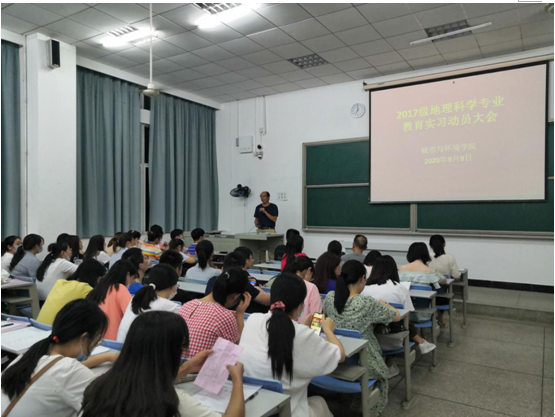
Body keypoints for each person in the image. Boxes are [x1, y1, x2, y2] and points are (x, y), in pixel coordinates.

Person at [81, 311, 246, 417]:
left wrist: (188, 367)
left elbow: (150, 380)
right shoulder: (171, 400)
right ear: (173, 352)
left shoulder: (100, 385)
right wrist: (237, 381)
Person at [240, 273, 345, 417]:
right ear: (300, 307)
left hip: (254, 407)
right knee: (320, 402)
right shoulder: (301, 334)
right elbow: (339, 355)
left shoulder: (253, 319)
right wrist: (328, 330)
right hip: (287, 411)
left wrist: (301, 327)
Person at [1, 299, 116, 417]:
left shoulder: (29, 356)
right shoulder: (69, 371)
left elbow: (60, 371)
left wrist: (107, 357)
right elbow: (109, 408)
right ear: (84, 338)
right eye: (97, 340)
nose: (96, 345)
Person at [323, 260, 400, 416]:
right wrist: (385, 304)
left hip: (336, 357)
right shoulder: (366, 303)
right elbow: (396, 316)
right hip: (365, 362)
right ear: (362, 279)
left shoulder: (330, 297)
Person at [362, 255, 436, 360]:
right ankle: (420, 341)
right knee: (403, 317)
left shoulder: (365, 289)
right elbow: (407, 317)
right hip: (394, 337)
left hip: (369, 338)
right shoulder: (400, 288)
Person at [178, 268, 251, 358]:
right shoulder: (224, 316)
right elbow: (237, 346)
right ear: (236, 296)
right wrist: (240, 314)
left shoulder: (187, 305)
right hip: (201, 366)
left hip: (180, 363)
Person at [117, 264, 180, 342]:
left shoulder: (137, 297)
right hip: (139, 347)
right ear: (173, 285)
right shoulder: (171, 307)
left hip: (121, 345)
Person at [37, 260, 106, 325]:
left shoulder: (60, 283)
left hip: (38, 326)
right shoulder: (85, 288)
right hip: (54, 330)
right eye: (100, 279)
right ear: (94, 277)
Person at [87, 260, 137, 340]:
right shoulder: (120, 288)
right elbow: (132, 315)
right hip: (114, 340)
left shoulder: (97, 290)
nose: (133, 282)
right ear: (127, 275)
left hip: (95, 340)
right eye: (133, 278)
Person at [205, 251, 271, 310]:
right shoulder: (243, 285)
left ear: (222, 269)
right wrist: (257, 288)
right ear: (242, 270)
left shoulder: (212, 280)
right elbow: (268, 301)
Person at [282, 256, 321, 322]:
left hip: (283, 326)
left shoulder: (283, 282)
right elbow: (317, 319)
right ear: (309, 270)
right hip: (304, 328)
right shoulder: (312, 287)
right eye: (312, 276)